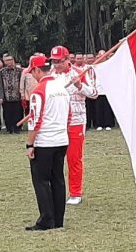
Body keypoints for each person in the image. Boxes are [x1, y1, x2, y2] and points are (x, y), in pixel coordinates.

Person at [24, 55, 71, 231]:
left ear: (37, 70)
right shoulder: (62, 87)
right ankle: (58, 219)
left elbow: (35, 120)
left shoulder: (39, 91)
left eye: (32, 72)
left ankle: (46, 219)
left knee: (41, 180)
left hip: (45, 142)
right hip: (61, 139)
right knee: (58, 179)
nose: (32, 76)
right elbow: (70, 115)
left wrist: (30, 144)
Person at [50, 46, 98, 205]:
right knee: (54, 158)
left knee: (74, 158)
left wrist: (79, 85)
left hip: (76, 121)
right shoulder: (50, 75)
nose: (56, 64)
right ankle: (56, 191)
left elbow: (94, 93)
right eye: (54, 61)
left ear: (67, 59)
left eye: (59, 61)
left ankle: (75, 192)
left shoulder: (79, 73)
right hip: (57, 121)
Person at [1, 54, 23, 134]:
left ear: (13, 60)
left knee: (18, 113)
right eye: (7, 60)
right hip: (6, 96)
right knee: (7, 113)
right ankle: (9, 129)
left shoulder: (20, 71)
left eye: (10, 60)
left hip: (17, 95)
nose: (9, 62)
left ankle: (17, 128)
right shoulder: (2, 72)